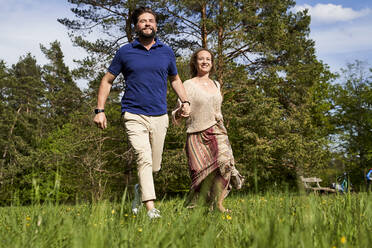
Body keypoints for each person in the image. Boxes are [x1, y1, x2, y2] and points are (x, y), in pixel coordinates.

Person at [93, 7, 190, 219]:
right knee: (143, 157)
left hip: (159, 114)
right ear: (136, 26)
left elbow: (175, 79)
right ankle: (151, 209)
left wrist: (185, 101)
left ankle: (140, 190)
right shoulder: (125, 51)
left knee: (154, 166)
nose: (147, 23)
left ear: (156, 25)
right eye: (143, 21)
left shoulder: (166, 51)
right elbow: (107, 80)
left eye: (151, 20)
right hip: (133, 113)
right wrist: (100, 110)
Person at [172, 48, 243, 213]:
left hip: (218, 130)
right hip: (196, 134)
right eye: (201, 59)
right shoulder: (188, 85)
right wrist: (181, 112)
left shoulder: (216, 84)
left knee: (225, 164)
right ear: (195, 63)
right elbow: (175, 113)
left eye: (208, 59)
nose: (205, 62)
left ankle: (218, 204)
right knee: (201, 174)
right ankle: (198, 207)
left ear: (212, 63)